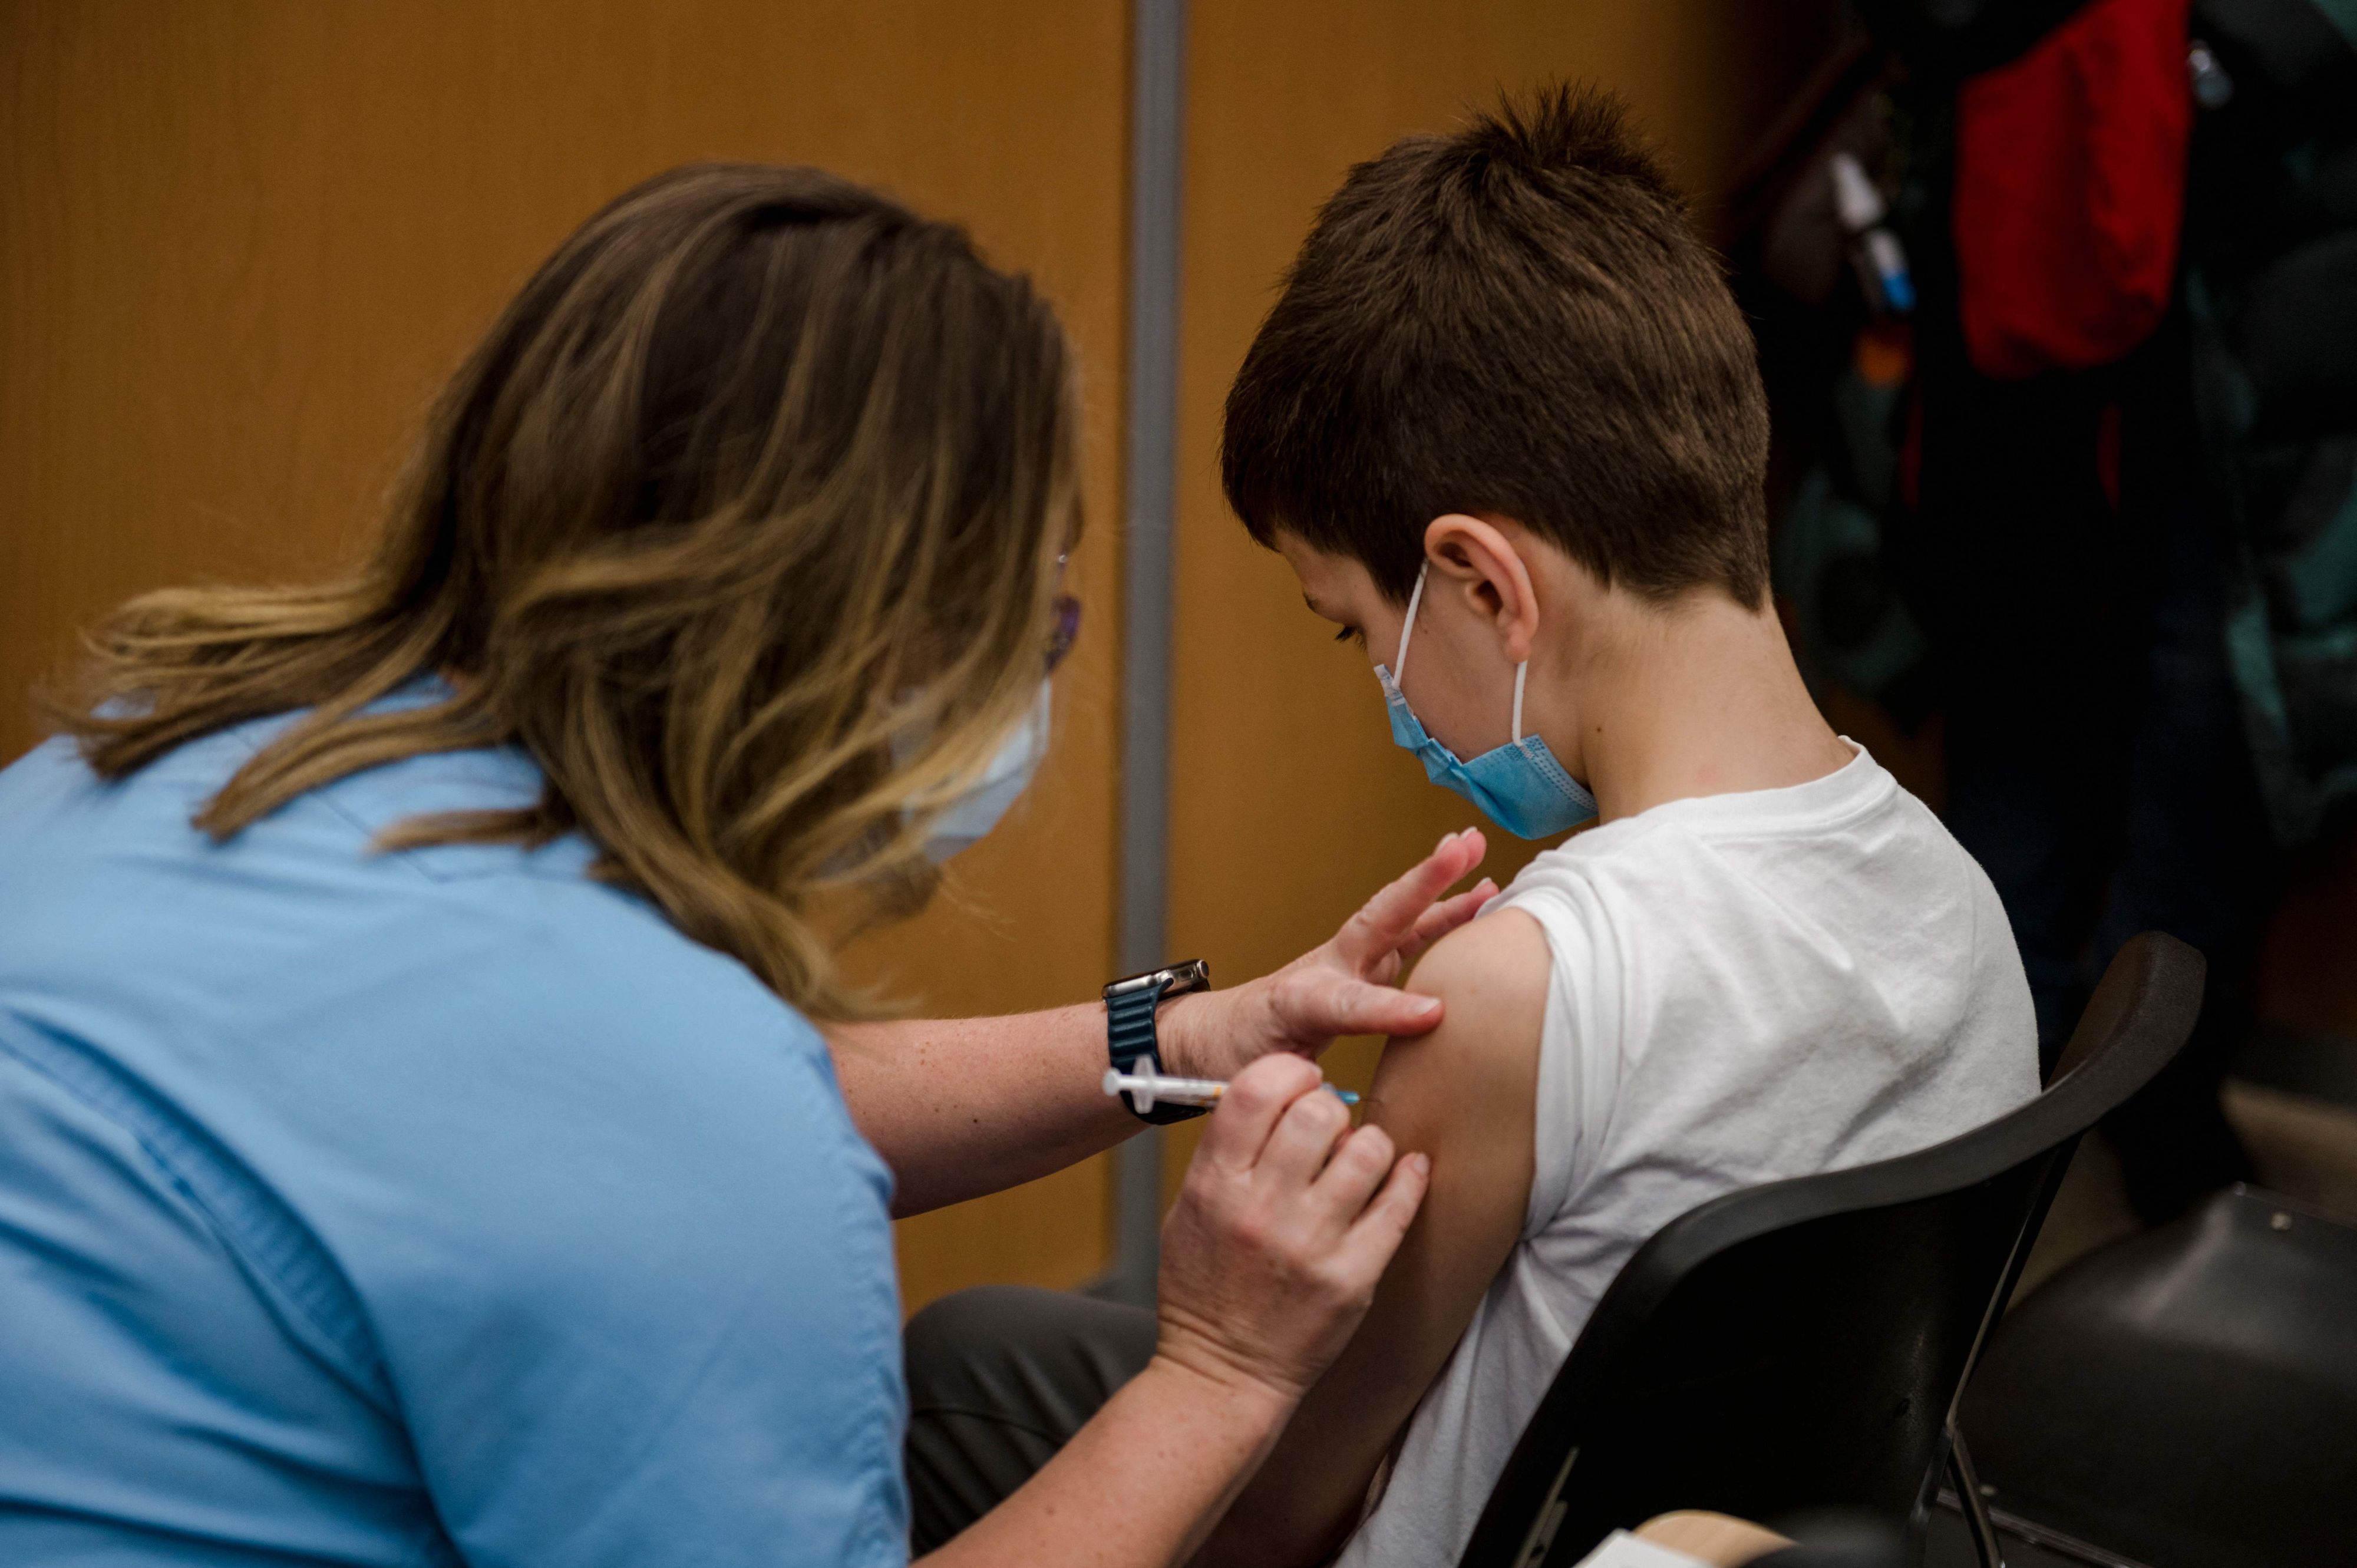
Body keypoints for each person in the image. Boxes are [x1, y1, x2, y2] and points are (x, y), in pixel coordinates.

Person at [0, 163, 1494, 1567]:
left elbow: (565, 1108)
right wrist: (1221, 1367)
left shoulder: (166, 757)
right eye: (1032, 625)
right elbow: (656, 1122)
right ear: (877, 635)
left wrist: (1180, 1039)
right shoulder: (668, 1107)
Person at [900, 88, 2041, 1568]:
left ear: (1483, 583)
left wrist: (1222, 1320)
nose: (1382, 690)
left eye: (1352, 631)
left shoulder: (1522, 988)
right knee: (986, 1346)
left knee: (953, 1368)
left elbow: (1278, 1514)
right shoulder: (1962, 900)